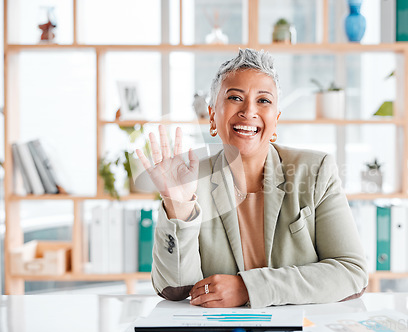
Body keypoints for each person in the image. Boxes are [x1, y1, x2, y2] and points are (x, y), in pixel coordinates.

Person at [136, 48, 368, 309]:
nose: (249, 111)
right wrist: (179, 207)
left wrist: (248, 288)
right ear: (212, 116)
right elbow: (174, 289)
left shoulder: (315, 171)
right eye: (235, 97)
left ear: (276, 121)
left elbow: (352, 272)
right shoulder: (190, 180)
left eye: (264, 101)